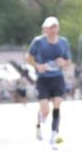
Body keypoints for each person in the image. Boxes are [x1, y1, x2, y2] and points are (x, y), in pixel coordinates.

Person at [26, 16, 72, 149]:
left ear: (58, 28)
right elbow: (28, 57)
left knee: (57, 104)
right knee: (45, 109)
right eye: (50, 27)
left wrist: (63, 63)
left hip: (57, 78)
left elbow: (68, 62)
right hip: (43, 79)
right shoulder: (38, 42)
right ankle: (39, 123)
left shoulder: (63, 42)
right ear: (45, 29)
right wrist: (37, 66)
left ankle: (54, 134)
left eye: (55, 27)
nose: (52, 30)